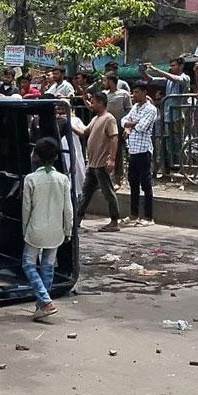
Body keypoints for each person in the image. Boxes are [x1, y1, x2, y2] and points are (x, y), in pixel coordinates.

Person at [21, 137, 73, 321]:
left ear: (37, 156)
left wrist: (24, 229)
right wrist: (68, 230)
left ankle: (45, 301)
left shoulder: (30, 179)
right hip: (56, 230)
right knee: (48, 267)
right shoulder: (63, 179)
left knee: (28, 264)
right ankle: (41, 304)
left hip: (36, 229)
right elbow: (68, 209)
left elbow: (26, 208)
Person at [142, 57, 190, 176]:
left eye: (173, 65)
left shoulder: (184, 77)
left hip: (178, 116)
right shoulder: (168, 80)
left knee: (179, 143)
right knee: (168, 144)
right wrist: (143, 71)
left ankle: (184, 169)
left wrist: (154, 68)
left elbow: (174, 78)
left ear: (181, 66)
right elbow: (151, 79)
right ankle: (170, 169)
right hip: (168, 116)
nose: (171, 68)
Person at [79, 92, 120, 231]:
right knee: (86, 192)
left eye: (93, 102)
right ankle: (77, 220)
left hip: (102, 163)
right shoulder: (96, 119)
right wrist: (69, 123)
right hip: (92, 163)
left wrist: (112, 159)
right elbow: (84, 132)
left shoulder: (109, 119)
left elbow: (114, 138)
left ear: (101, 103)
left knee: (108, 192)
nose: (91, 105)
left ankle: (114, 221)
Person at [122, 82, 158, 227]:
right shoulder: (135, 108)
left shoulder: (151, 109)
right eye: (133, 92)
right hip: (133, 150)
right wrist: (131, 124)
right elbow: (123, 120)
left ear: (144, 92)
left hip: (144, 150)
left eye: (137, 92)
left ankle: (149, 217)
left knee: (146, 184)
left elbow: (143, 127)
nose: (134, 95)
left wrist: (130, 125)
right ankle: (134, 214)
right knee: (133, 183)